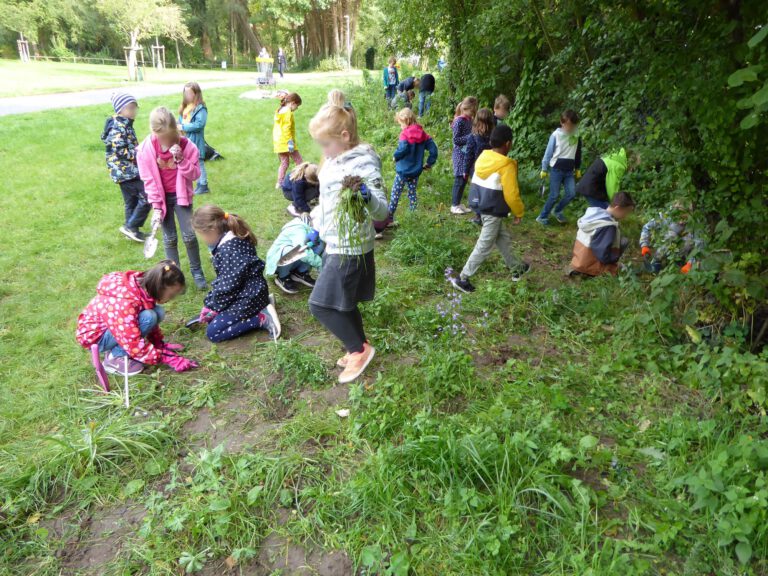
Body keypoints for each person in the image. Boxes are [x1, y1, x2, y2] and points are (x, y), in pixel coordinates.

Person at [307, 89, 389, 384]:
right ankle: (359, 344)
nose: (323, 151)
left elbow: (382, 212)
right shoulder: (335, 157)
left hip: (350, 247)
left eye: (326, 144)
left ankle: (358, 350)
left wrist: (364, 195)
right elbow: (328, 192)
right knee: (344, 301)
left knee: (319, 304)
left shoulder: (363, 165)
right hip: (334, 240)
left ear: (344, 136)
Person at [76, 260, 197, 380]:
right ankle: (114, 357)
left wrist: (158, 345)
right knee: (149, 317)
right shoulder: (126, 303)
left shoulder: (142, 288)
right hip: (96, 338)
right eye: (171, 295)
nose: (171, 299)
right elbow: (132, 342)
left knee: (157, 312)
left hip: (113, 327)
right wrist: (166, 358)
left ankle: (119, 350)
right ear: (158, 287)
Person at [449, 124, 528, 293]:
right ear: (508, 144)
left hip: (480, 203)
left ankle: (516, 268)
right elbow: (512, 194)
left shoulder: (484, 157)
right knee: (484, 244)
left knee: (502, 237)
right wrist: (519, 211)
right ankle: (463, 278)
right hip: (493, 208)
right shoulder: (506, 165)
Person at [138, 107, 207, 290]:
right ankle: (175, 279)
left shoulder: (187, 146)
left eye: (170, 137)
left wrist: (181, 160)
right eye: (163, 139)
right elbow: (148, 179)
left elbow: (195, 175)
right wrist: (157, 206)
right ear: (154, 132)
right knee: (169, 240)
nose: (167, 142)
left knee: (190, 236)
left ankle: (197, 271)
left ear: (176, 130)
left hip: (181, 196)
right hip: (162, 199)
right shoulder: (146, 150)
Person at [191, 205, 281, 342]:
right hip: (251, 291)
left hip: (249, 296)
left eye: (201, 235)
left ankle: (261, 317)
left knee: (214, 332)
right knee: (216, 319)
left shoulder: (228, 252)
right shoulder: (232, 235)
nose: (203, 240)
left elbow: (228, 287)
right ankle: (263, 303)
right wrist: (210, 304)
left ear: (212, 230)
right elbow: (225, 281)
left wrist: (212, 307)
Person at [101, 92, 150, 243]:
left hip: (124, 171)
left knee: (132, 201)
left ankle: (132, 230)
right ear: (120, 110)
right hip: (125, 171)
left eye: (135, 108)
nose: (133, 111)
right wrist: (138, 155)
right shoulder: (118, 126)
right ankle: (131, 225)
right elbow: (119, 150)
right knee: (148, 196)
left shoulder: (125, 123)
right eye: (130, 108)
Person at [569, 191, 635, 277]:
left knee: (620, 241)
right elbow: (603, 254)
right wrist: (614, 259)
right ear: (617, 208)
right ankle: (598, 269)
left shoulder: (596, 214)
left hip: (578, 259)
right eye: (626, 212)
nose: (625, 216)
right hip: (588, 266)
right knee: (624, 241)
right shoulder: (608, 226)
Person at [389, 108, 438, 218]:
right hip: (416, 172)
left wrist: (395, 156)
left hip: (402, 171)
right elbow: (433, 150)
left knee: (395, 194)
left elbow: (403, 149)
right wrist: (429, 163)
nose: (401, 127)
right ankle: (413, 216)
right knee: (412, 193)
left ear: (406, 121)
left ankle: (389, 217)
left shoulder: (404, 134)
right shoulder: (423, 134)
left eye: (401, 124)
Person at [536, 109, 582, 225]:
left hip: (569, 171)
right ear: (562, 123)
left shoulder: (577, 135)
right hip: (556, 169)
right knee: (554, 195)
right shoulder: (556, 135)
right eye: (568, 125)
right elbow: (548, 152)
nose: (570, 128)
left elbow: (578, 153)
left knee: (571, 194)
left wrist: (578, 168)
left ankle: (557, 211)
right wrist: (544, 168)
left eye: (573, 125)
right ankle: (542, 217)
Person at [266, 214, 324, 294]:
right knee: (291, 250)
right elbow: (301, 250)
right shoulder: (298, 229)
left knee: (319, 243)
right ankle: (283, 276)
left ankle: (301, 272)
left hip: (294, 260)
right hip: (278, 262)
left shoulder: (310, 229)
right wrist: (320, 264)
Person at [640, 204, 702, 274]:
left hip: (687, 254)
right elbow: (646, 227)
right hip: (666, 248)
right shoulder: (666, 216)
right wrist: (644, 245)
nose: (681, 222)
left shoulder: (696, 223)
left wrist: (691, 263)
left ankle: (682, 263)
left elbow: (699, 244)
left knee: (689, 240)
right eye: (679, 217)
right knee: (671, 235)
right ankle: (657, 261)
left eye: (685, 218)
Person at [178, 82, 210, 195]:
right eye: (185, 93)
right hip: (186, 139)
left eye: (190, 93)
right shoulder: (185, 107)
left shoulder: (201, 109)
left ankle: (204, 184)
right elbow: (180, 120)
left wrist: (183, 127)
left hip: (196, 140)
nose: (187, 95)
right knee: (192, 162)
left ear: (196, 94)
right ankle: (198, 184)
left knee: (199, 162)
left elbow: (199, 124)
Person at [463, 108, 494, 224]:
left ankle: (478, 217)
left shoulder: (473, 137)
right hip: (491, 168)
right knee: (487, 192)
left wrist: (465, 171)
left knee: (477, 193)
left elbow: (469, 156)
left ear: (476, 121)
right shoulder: (494, 137)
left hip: (477, 170)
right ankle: (487, 214)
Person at [450, 96, 478, 215]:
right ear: (465, 109)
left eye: (474, 112)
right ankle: (454, 205)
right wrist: (471, 137)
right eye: (471, 112)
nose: (472, 114)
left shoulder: (469, 120)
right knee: (459, 180)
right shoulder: (459, 121)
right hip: (459, 154)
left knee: (465, 179)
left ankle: (459, 203)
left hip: (467, 154)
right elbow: (456, 140)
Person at [273, 92, 304, 189]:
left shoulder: (280, 110)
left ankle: (280, 182)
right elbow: (286, 129)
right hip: (287, 142)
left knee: (284, 163)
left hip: (278, 142)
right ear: (293, 103)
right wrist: (290, 143)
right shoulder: (288, 113)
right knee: (299, 161)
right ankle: (303, 178)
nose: (296, 108)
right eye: (297, 106)